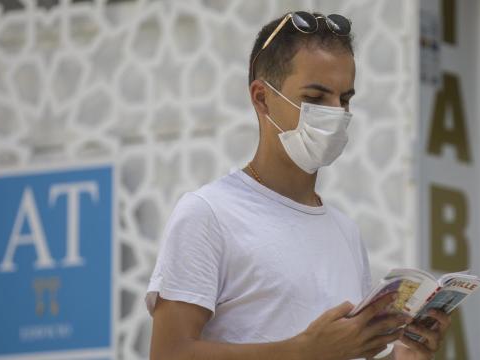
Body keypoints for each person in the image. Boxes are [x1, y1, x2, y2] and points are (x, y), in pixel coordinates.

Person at [146, 11, 451, 360]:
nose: (336, 113)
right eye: (316, 97)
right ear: (262, 98)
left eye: (345, 99)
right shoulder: (208, 214)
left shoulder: (344, 231)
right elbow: (169, 353)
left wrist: (405, 356)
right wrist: (303, 351)